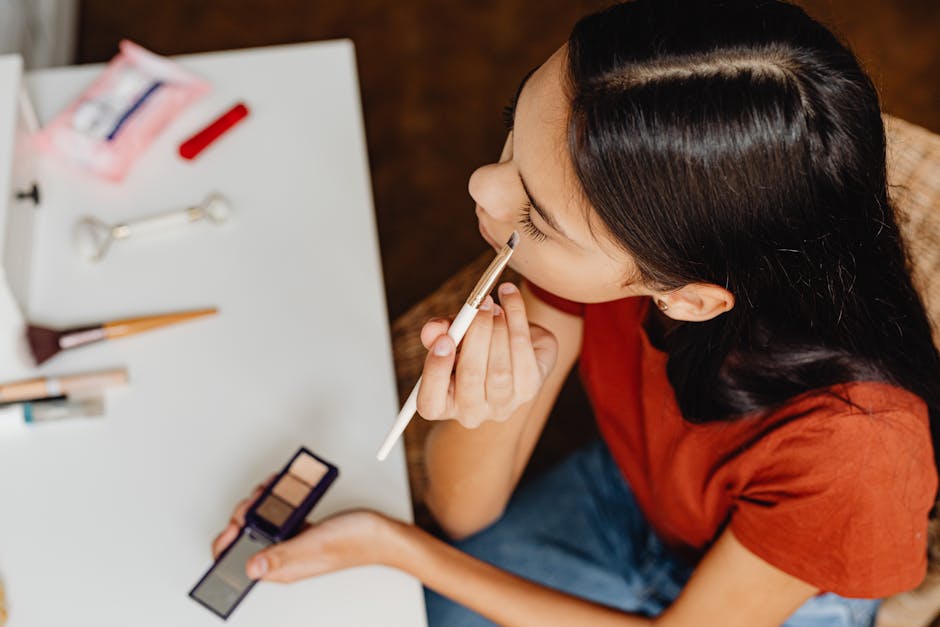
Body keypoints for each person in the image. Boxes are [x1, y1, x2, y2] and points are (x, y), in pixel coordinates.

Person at [210, 1, 940, 625]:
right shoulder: (587, 265)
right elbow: (466, 509)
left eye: (536, 213)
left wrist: (397, 544)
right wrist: (479, 408)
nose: (482, 187)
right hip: (637, 498)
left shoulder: (862, 454)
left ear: (684, 297)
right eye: (510, 132)